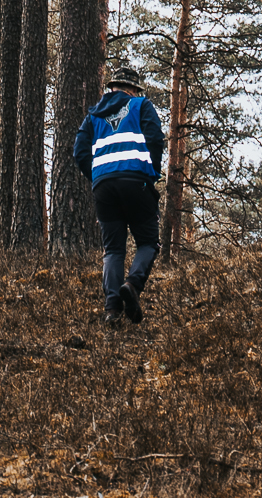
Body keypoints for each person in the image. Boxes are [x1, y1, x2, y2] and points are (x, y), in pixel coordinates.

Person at [72, 63, 164, 327]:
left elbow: (79, 152)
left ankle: (112, 309)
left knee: (113, 249)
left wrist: (97, 176)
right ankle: (132, 285)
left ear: (112, 88)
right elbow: (155, 139)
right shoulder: (140, 105)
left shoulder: (93, 115)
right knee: (148, 242)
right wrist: (152, 171)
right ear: (133, 89)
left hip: (104, 187)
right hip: (136, 181)